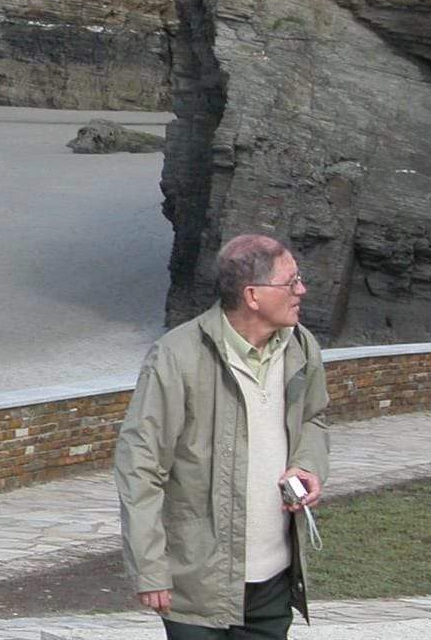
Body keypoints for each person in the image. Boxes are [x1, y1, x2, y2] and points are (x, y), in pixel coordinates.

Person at [114, 234, 329, 639]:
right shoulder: (176, 357)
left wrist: (307, 464)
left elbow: (314, 419)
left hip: (274, 583)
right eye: (291, 281)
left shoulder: (302, 347)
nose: (301, 290)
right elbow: (140, 467)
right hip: (196, 586)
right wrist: (150, 568)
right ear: (253, 295)